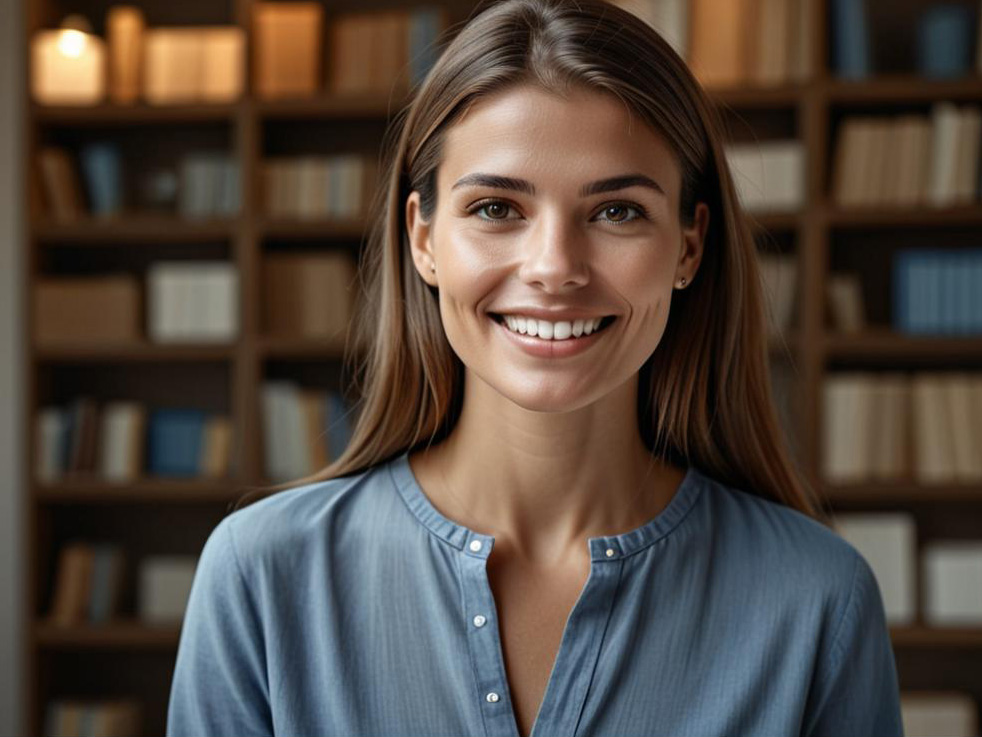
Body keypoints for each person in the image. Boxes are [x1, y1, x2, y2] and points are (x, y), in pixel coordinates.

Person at [166, 1, 904, 735]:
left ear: (688, 245)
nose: (554, 268)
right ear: (423, 238)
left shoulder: (818, 599)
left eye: (617, 212)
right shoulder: (261, 574)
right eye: (495, 208)